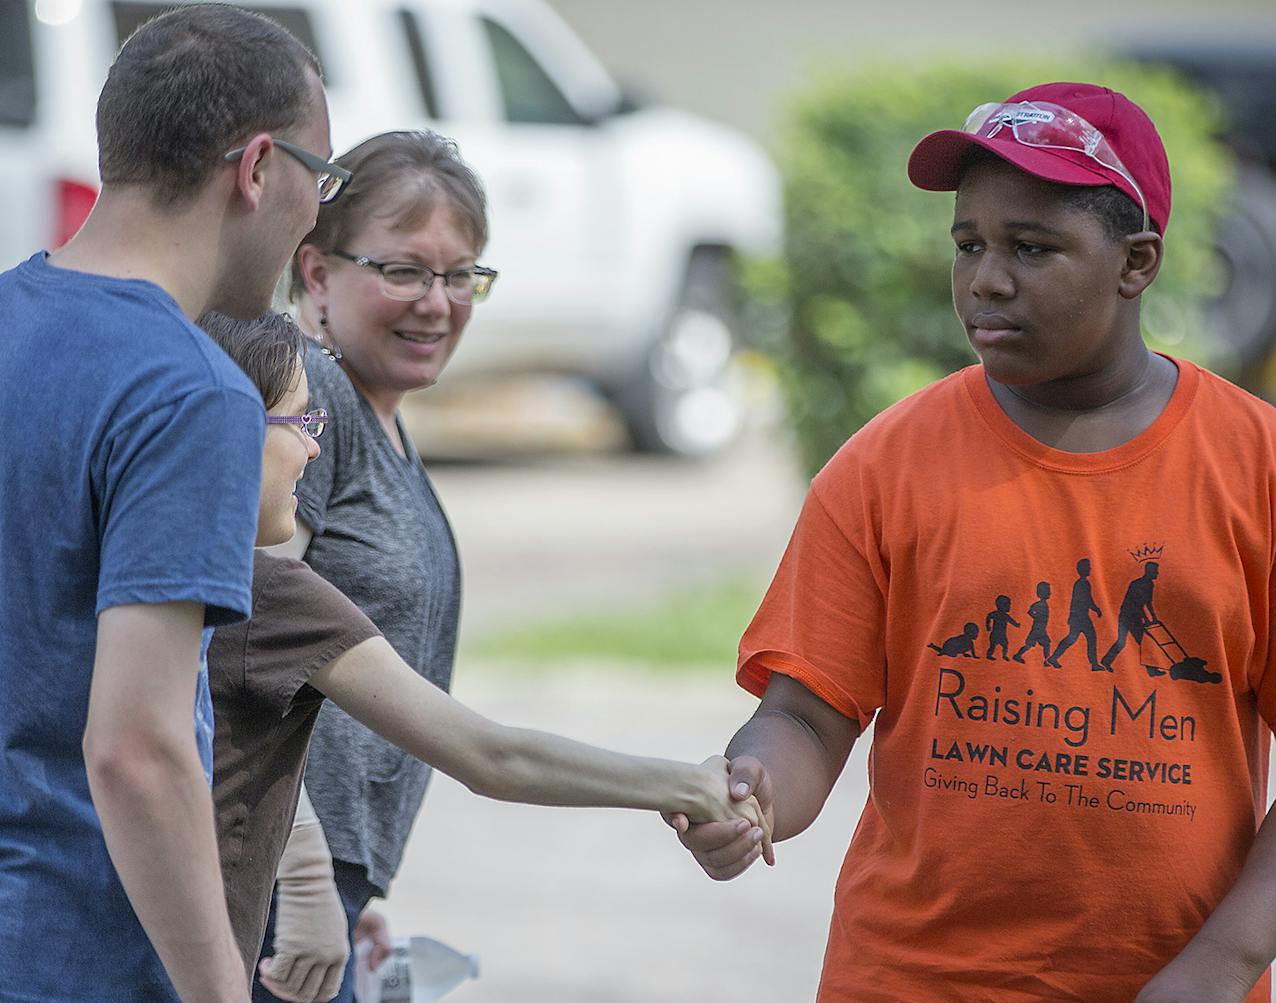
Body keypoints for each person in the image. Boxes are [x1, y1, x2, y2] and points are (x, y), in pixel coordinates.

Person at [665, 82, 1276, 1003]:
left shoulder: (1273, 473)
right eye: (968, 244)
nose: (986, 277)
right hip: (907, 979)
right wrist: (755, 796)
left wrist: (1221, 966)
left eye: (1032, 247)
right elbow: (805, 716)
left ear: (1136, 262)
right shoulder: (886, 464)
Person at [197, 311, 770, 997]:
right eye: (301, 424)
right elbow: (493, 755)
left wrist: (319, 884)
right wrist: (688, 785)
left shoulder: (146, 573)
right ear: (235, 427)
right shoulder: (273, 592)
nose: (315, 451)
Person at [0, 6, 343, 1001]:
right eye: (321, 179)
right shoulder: (190, 394)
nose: (316, 213)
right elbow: (138, 747)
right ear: (258, 169)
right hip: (72, 959)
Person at [252, 130, 496, 1001]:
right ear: (316, 273)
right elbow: (238, 652)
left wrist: (349, 896)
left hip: (328, 884)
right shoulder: (313, 401)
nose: (437, 302)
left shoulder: (377, 413)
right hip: (274, 883)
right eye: (402, 270)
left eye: (460, 273)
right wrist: (306, 878)